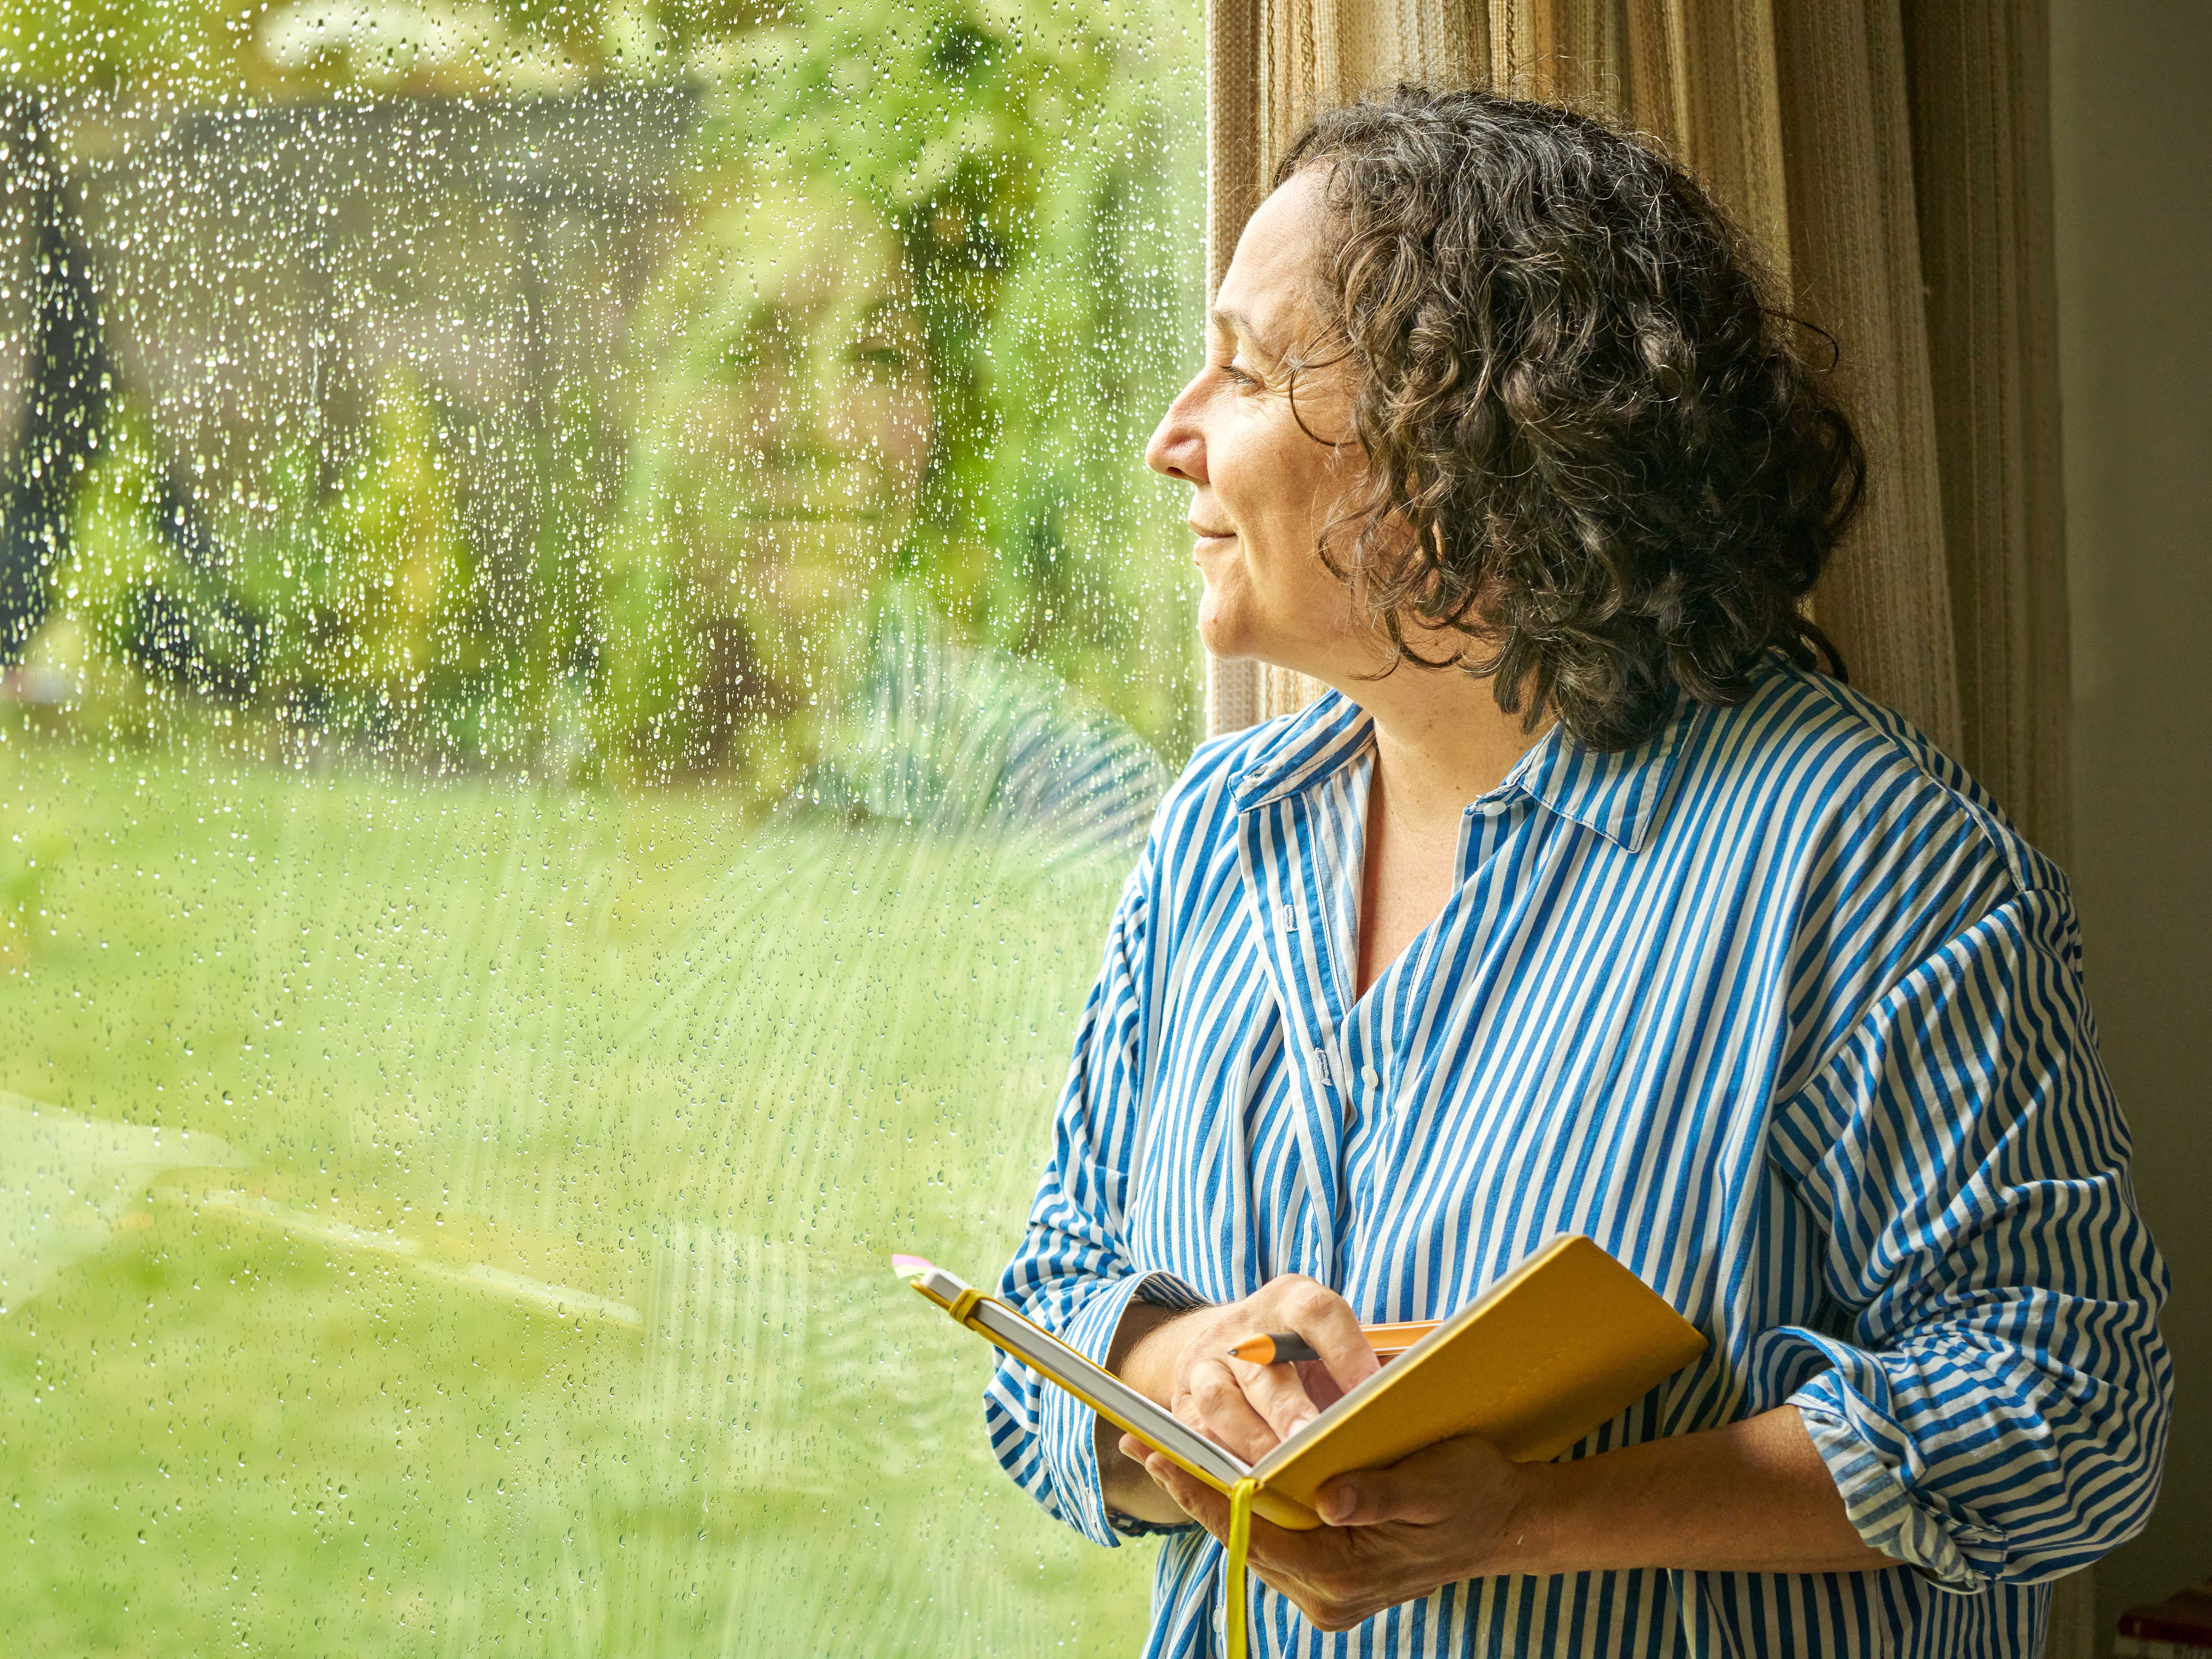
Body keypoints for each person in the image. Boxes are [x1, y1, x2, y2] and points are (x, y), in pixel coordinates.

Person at [983, 86, 2170, 1658]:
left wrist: (1533, 1520)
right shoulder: (1221, 831)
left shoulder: (1870, 858)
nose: (1174, 434)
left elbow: (2069, 1412)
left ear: (1475, 436)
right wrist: (1182, 1373)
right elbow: (1051, 1312)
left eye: (1253, 370)